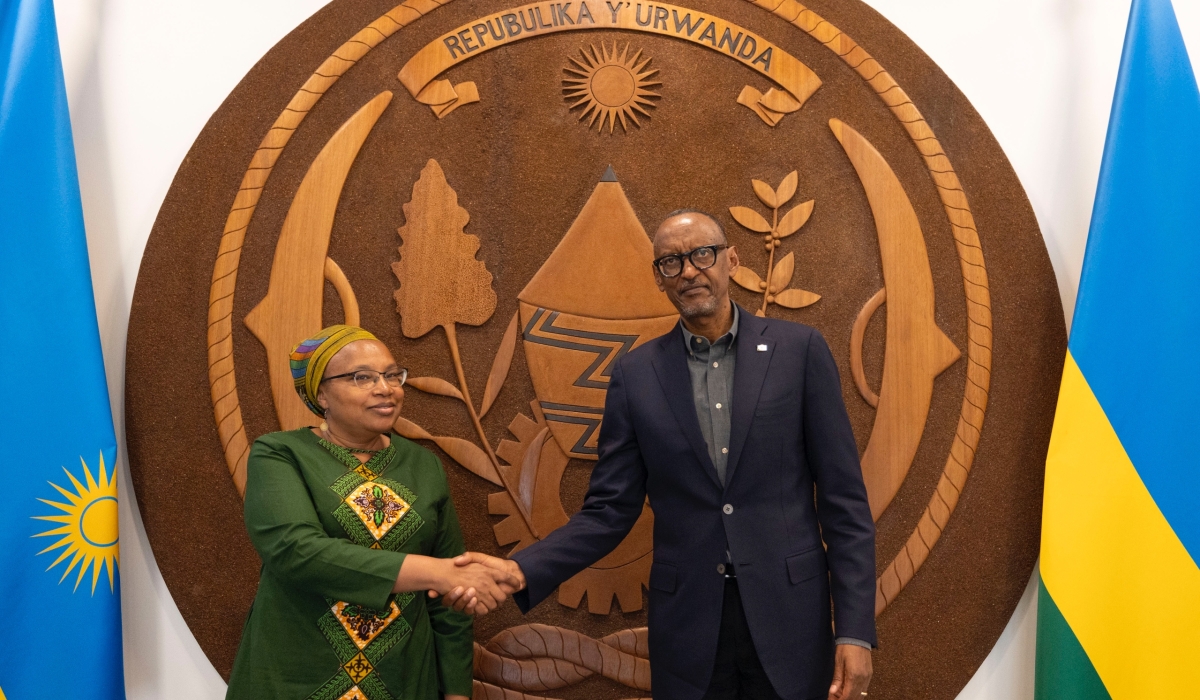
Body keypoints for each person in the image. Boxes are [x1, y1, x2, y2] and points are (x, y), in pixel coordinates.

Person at [456, 211, 877, 700]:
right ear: (659, 279)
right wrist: (520, 569)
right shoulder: (636, 376)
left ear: (731, 260)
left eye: (702, 254)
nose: (690, 271)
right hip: (690, 632)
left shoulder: (799, 351)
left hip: (792, 621)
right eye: (672, 262)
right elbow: (608, 512)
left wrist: (853, 631)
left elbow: (845, 505)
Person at [226, 325, 519, 700]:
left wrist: (457, 693)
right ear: (321, 394)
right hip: (297, 674)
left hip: (403, 677)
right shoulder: (281, 453)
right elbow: (296, 551)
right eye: (361, 377)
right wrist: (436, 572)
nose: (386, 388)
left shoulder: (423, 466)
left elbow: (451, 597)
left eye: (393, 375)